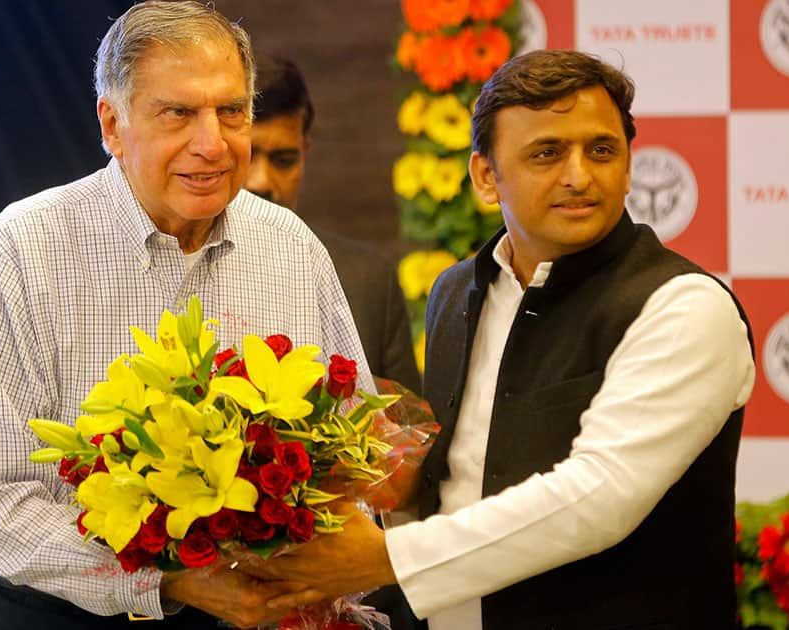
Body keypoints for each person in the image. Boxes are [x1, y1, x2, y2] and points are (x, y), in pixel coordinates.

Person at [249, 49, 756, 629]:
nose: (579, 175)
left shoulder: (685, 306)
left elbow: (599, 497)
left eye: (601, 150)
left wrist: (387, 558)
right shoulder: (455, 292)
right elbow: (452, 481)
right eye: (547, 152)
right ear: (486, 176)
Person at [0, 2, 364, 628]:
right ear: (111, 125)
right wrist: (167, 580)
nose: (212, 144)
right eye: (178, 114)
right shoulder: (26, 247)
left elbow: (355, 459)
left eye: (231, 112)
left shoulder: (292, 247)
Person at [246, 54, 421, 393]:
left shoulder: (368, 281)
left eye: (283, 160)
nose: (261, 181)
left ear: (304, 154)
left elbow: (405, 433)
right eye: (247, 155)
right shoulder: (174, 266)